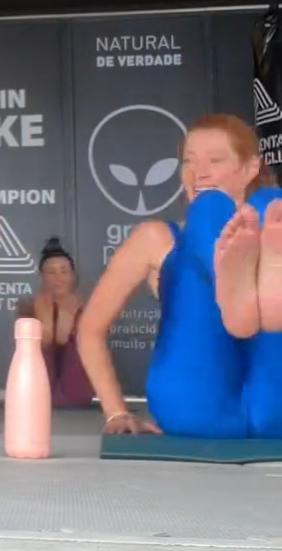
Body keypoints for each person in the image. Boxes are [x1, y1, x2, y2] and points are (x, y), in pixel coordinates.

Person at [78, 113, 282, 438]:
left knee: (271, 203)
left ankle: (247, 287)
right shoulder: (156, 238)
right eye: (188, 161)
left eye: (215, 160)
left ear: (249, 168)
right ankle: (232, 281)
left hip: (272, 398)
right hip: (198, 401)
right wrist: (116, 412)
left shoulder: (273, 225)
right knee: (211, 207)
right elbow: (90, 329)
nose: (198, 172)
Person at [17, 236, 93, 409]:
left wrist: (69, 332)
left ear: (73, 276)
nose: (58, 278)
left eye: (64, 271)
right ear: (42, 276)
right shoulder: (27, 309)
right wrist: (46, 329)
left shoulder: (89, 311)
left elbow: (80, 389)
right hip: (36, 401)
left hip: (77, 400)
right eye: (51, 272)